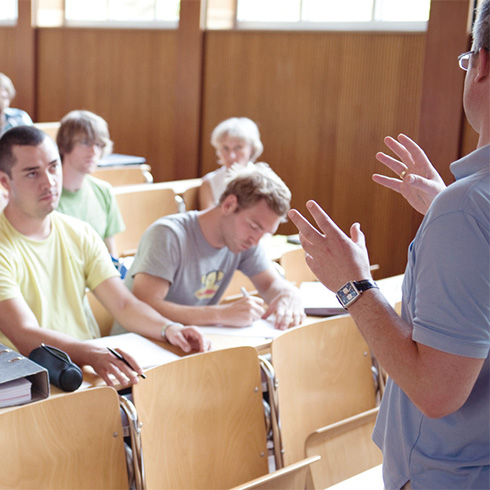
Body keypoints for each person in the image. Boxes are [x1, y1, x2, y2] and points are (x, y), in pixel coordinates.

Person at [289, 2, 489, 488]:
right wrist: (449, 211)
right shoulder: (466, 209)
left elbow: (437, 392)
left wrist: (352, 285)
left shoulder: (468, 210)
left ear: (481, 64)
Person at [0, 126, 210, 388]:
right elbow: (24, 333)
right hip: (34, 384)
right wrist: (91, 354)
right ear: (5, 182)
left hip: (87, 372)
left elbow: (123, 305)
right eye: (32, 173)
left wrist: (170, 329)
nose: (49, 181)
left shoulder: (80, 232)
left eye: (54, 167)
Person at [117, 163, 305, 333]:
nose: (256, 241)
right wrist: (220, 314)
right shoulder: (168, 234)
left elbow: (271, 284)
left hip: (187, 342)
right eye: (255, 227)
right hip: (139, 345)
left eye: (264, 233)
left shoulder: (245, 240)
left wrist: (289, 294)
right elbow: (144, 305)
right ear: (229, 205)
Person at [56, 110, 124, 257]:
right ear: (64, 144)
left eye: (99, 145)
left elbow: (111, 255)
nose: (94, 151)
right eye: (85, 142)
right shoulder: (47, 193)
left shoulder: (104, 191)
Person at [199, 117, 264, 209]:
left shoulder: (263, 181)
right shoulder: (209, 182)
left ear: (251, 149)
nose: (231, 156)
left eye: (238, 147)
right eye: (225, 148)